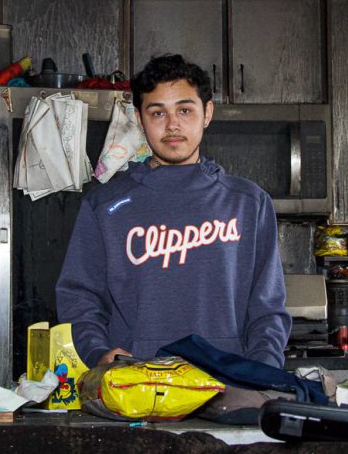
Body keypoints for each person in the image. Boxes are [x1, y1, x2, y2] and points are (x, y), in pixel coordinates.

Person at [55, 53, 291, 368]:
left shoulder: (248, 203)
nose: (172, 125)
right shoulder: (105, 206)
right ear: (139, 119)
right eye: (157, 113)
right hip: (137, 385)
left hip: (229, 386)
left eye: (184, 110)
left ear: (207, 113)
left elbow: (268, 307)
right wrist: (97, 351)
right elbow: (80, 297)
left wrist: (264, 370)